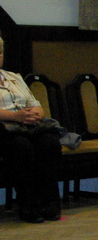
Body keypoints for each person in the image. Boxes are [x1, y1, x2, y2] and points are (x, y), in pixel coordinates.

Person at [0, 36, 62, 222]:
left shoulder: (15, 77)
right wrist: (15, 117)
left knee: (49, 142)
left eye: (0, 52)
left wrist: (35, 114)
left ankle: (48, 203)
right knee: (21, 146)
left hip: (26, 125)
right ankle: (28, 204)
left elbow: (36, 105)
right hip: (3, 129)